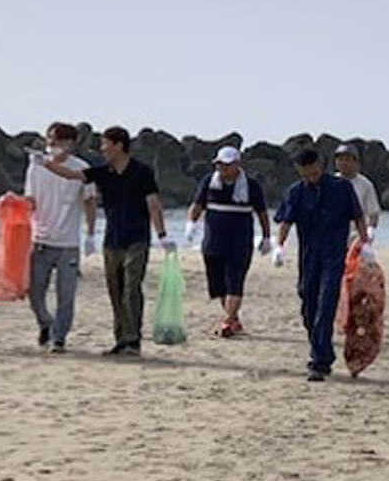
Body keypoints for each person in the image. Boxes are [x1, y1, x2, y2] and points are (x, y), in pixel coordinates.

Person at [37, 126, 174, 356]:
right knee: (115, 290)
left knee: (132, 288)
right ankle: (121, 340)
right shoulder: (103, 172)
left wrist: (163, 235)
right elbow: (73, 176)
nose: (102, 149)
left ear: (119, 146)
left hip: (137, 239)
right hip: (112, 240)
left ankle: (133, 340)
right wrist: (45, 164)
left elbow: (153, 204)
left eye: (105, 144)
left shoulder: (142, 172)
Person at [271, 148, 371, 381]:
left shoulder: (341, 188)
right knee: (308, 304)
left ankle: (318, 362)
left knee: (326, 304)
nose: (310, 178)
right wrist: (279, 246)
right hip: (309, 256)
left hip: (335, 255)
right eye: (305, 175)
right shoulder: (296, 192)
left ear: (321, 166)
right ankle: (322, 351)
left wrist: (364, 243)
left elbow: (358, 216)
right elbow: (286, 221)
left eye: (314, 173)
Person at [24, 122, 97, 353]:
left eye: (57, 140)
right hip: (41, 239)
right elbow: (30, 199)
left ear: (70, 143)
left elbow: (89, 201)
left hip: (68, 243)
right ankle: (46, 323)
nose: (52, 145)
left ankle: (59, 337)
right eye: (49, 140)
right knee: (35, 293)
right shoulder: (36, 166)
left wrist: (91, 234)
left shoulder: (81, 168)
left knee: (66, 296)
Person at [184, 146, 271, 338]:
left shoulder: (250, 185)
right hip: (213, 243)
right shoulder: (209, 182)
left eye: (227, 165)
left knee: (235, 282)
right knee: (219, 285)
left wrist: (266, 237)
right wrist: (191, 224)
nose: (223, 169)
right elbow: (197, 205)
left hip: (239, 243)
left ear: (237, 165)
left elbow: (262, 213)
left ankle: (228, 321)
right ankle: (233, 318)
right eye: (220, 165)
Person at [334, 143, 381, 232]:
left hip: (357, 234)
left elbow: (373, 213)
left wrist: (370, 231)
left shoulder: (366, 184)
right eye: (340, 160)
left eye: (347, 160)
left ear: (356, 162)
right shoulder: (330, 182)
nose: (343, 163)